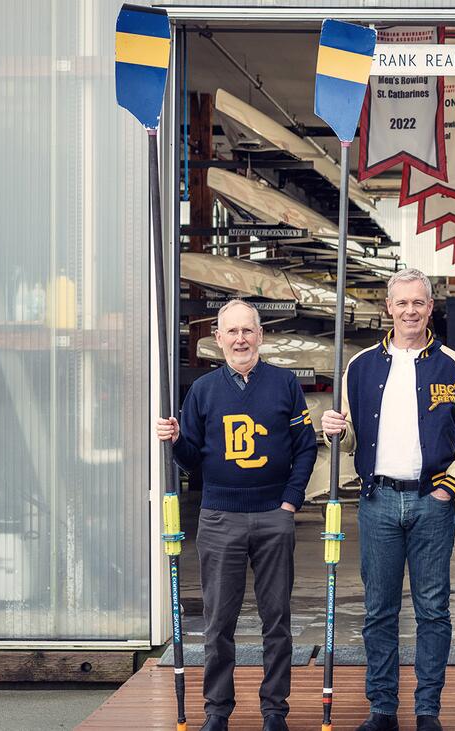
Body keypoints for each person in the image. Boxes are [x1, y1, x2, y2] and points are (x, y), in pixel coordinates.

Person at [321, 268, 455, 731]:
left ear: (429, 308)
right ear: (389, 308)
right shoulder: (359, 367)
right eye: (402, 303)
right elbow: (353, 436)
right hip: (378, 501)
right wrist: (336, 429)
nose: (410, 311)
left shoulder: (454, 366)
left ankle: (427, 710)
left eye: (419, 303)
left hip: (431, 502)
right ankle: (382, 709)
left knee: (433, 609)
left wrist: (448, 488)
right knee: (379, 610)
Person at [156, 298, 318, 731]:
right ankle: (217, 711)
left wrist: (291, 501)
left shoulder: (284, 384)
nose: (241, 339)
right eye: (232, 331)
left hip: (272, 515)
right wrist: (174, 441)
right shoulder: (204, 391)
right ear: (218, 339)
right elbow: (193, 461)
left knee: (277, 620)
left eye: (248, 330)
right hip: (219, 516)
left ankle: (274, 710)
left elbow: (305, 447)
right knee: (218, 621)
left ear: (261, 336)